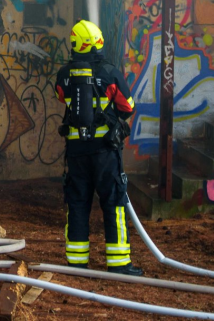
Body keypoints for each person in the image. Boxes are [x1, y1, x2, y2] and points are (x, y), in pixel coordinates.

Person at [55, 19, 143, 275]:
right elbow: (128, 107)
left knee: (78, 202)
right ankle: (118, 263)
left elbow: (61, 96)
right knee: (113, 201)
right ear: (97, 42)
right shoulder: (110, 72)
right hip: (105, 151)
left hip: (77, 153)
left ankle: (76, 261)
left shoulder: (63, 75)